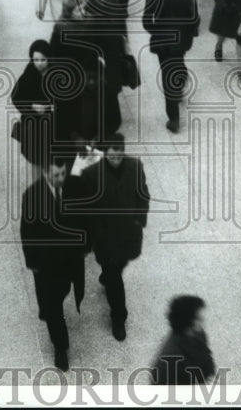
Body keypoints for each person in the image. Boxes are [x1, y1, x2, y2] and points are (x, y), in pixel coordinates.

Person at [21, 152, 97, 373]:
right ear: (45, 172)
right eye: (56, 174)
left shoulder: (76, 189)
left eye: (63, 173)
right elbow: (28, 232)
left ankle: (53, 307)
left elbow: (88, 220)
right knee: (53, 307)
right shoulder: (32, 196)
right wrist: (32, 262)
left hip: (70, 260)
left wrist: (87, 246)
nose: (61, 178)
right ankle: (61, 346)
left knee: (63, 291)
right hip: (47, 264)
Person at [76, 132, 150, 341]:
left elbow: (142, 195)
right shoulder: (91, 174)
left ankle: (108, 276)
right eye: (111, 151)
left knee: (118, 267)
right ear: (105, 153)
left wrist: (139, 220)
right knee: (115, 278)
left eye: (119, 151)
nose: (116, 155)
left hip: (128, 234)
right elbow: (86, 208)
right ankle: (119, 318)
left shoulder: (135, 167)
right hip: (105, 238)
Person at [143, 0, 198, 133]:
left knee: (167, 73)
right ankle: (180, 80)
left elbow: (146, 20)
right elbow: (194, 19)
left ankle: (173, 117)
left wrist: (156, 32)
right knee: (177, 62)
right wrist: (186, 34)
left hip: (161, 41)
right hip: (180, 40)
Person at [151, 295, 216, 385]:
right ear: (188, 322)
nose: (203, 320)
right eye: (199, 318)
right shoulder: (168, 359)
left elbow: (206, 354)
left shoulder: (198, 332)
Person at [11, 40, 55, 165]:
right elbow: (16, 96)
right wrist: (32, 106)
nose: (39, 64)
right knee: (36, 155)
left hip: (54, 121)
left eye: (43, 60)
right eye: (36, 60)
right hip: (34, 123)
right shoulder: (29, 73)